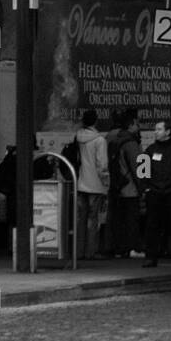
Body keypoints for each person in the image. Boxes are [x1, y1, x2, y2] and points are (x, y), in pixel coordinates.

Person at [139, 118, 171, 268]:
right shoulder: (149, 150)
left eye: (159, 129)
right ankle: (151, 257)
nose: (156, 132)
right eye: (156, 129)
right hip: (155, 194)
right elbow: (142, 170)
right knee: (152, 226)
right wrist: (147, 189)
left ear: (168, 132)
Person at [72, 109, 110, 259]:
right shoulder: (99, 140)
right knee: (93, 220)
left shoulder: (78, 137)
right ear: (95, 121)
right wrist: (106, 182)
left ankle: (78, 251)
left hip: (80, 183)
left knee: (80, 219)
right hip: (95, 184)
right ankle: (91, 251)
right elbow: (102, 164)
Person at [106, 109, 143, 258]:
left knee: (118, 220)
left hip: (116, 186)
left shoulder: (112, 139)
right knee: (132, 220)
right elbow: (140, 168)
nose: (139, 127)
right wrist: (144, 187)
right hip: (130, 188)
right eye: (138, 123)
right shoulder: (131, 143)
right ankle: (133, 248)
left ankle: (119, 249)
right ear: (132, 124)